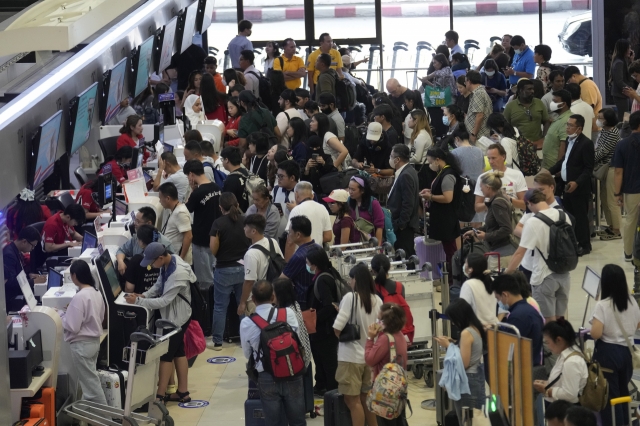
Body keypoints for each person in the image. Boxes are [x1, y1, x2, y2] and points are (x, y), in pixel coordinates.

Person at [125, 242, 196, 403]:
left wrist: (138, 302)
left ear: (161, 257)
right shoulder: (170, 262)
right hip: (174, 316)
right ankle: (183, 393)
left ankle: (160, 396)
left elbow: (164, 301)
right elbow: (158, 285)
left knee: (166, 355)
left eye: (152, 262)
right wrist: (143, 296)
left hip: (177, 319)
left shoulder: (178, 274)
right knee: (178, 352)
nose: (151, 265)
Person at [240, 280, 306, 426]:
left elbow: (247, 353)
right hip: (292, 372)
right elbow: (297, 338)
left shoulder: (247, 323)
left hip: (266, 375)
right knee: (298, 421)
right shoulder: (287, 313)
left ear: (253, 299)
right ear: (273, 297)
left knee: (273, 422)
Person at [504, 189, 573, 322]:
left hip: (544, 276)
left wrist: (507, 273)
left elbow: (519, 253)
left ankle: (548, 344)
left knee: (547, 322)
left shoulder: (533, 222)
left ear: (529, 203)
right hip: (564, 274)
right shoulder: (563, 215)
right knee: (560, 320)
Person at [590, 264, 640, 425]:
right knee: (624, 393)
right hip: (627, 353)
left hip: (608, 355)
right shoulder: (632, 301)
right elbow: (637, 325)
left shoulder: (602, 305)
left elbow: (596, 333)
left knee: (611, 397)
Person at [333, 263, 382, 426]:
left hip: (350, 357)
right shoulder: (377, 300)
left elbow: (337, 329)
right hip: (370, 357)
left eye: (351, 279)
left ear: (356, 280)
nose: (349, 282)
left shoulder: (350, 298)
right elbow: (380, 328)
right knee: (366, 398)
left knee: (352, 402)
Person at [60, 261, 107, 406]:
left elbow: (72, 326)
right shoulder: (96, 292)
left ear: (74, 276)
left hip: (81, 346)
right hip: (94, 343)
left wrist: (61, 315)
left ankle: (106, 420)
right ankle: (87, 416)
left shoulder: (79, 297)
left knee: (91, 387)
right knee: (89, 383)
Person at [208, 192, 251, 350]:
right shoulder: (246, 220)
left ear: (221, 207)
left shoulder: (218, 224)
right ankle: (246, 340)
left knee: (220, 306)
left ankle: (218, 342)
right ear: (237, 204)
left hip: (224, 269)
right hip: (244, 268)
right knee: (243, 303)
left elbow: (213, 249)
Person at [434, 298, 486, 423]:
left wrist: (448, 346)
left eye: (453, 319)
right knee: (477, 419)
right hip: (477, 376)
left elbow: (464, 363)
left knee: (467, 420)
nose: (452, 322)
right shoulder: (476, 328)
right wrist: (454, 342)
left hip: (468, 381)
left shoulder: (466, 333)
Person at [549, 114, 594, 254]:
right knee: (570, 217)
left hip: (579, 188)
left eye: (570, 125)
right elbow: (564, 161)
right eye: (567, 125)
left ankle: (585, 245)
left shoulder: (586, 144)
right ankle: (573, 242)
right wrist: (549, 171)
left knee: (580, 218)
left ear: (579, 128)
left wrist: (577, 182)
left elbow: (588, 168)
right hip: (566, 186)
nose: (567, 128)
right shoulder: (569, 141)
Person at [365, 302, 409, 426]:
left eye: (379, 319)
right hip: (399, 390)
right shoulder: (400, 335)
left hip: (385, 392)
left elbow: (369, 359)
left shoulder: (385, 339)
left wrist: (370, 339)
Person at [420, 147, 462, 276]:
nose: (430, 165)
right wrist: (431, 192)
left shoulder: (448, 174)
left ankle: (453, 278)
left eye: (430, 161)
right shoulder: (443, 172)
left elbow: (448, 198)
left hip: (447, 218)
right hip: (442, 217)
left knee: (450, 250)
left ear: (437, 160)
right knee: (448, 249)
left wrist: (431, 197)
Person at [306, 247, 341, 394]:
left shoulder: (322, 280)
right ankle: (321, 385)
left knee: (327, 361)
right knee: (321, 359)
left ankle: (331, 391)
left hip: (324, 329)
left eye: (308, 262)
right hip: (323, 328)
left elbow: (329, 306)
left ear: (315, 264)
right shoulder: (330, 274)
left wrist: (314, 319)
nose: (307, 264)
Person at [512, 173, 558, 280]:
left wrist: (531, 234)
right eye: (536, 190)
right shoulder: (533, 206)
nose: (539, 194)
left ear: (552, 187)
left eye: (541, 190)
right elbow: (517, 229)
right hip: (527, 263)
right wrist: (532, 234)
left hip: (545, 268)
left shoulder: (559, 212)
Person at [184, 160, 220, 291]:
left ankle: (205, 305)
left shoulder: (197, 193)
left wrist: (192, 191)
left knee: (204, 280)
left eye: (188, 176)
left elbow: (185, 210)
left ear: (191, 174)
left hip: (201, 239)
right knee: (215, 272)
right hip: (216, 237)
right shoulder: (216, 187)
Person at [492, 274, 544, 366]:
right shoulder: (529, 310)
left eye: (497, 298)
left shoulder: (518, 317)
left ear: (505, 294)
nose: (498, 302)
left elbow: (508, 347)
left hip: (523, 370)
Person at [464, 172, 516, 262]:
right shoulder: (496, 201)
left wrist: (486, 236)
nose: (481, 189)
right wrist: (475, 231)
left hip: (502, 253)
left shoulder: (497, 203)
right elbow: (492, 225)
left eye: (482, 187)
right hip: (498, 250)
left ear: (488, 187)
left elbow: (506, 229)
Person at [533, 319, 587, 404]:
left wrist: (547, 390)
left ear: (558, 340)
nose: (547, 346)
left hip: (564, 411)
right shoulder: (565, 355)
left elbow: (570, 394)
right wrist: (547, 384)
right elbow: (563, 381)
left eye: (548, 342)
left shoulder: (572, 362)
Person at [612, 110, 640, 262]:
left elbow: (618, 172)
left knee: (631, 221)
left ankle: (628, 253)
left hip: (632, 190)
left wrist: (617, 193)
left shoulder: (622, 144)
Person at [474, 144, 528, 218]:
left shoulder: (517, 174)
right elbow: (477, 208)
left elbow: (524, 205)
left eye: (493, 158)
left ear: (503, 157)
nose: (491, 162)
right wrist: (491, 202)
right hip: (491, 221)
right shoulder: (483, 177)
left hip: (512, 219)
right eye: (489, 158)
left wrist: (508, 199)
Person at [280, 216, 322, 310]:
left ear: (298, 234)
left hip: (302, 303)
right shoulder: (319, 248)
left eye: (290, 232)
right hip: (318, 299)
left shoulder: (298, 256)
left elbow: (282, 280)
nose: (288, 235)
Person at [116, 207, 174, 273]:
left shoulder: (165, 244)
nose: (135, 224)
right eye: (135, 220)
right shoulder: (136, 238)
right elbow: (121, 250)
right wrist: (120, 262)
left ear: (149, 223)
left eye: (138, 221)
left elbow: (172, 267)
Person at [388, 144, 419, 262]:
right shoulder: (408, 171)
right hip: (403, 223)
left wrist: (401, 224)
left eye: (391, 156)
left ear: (397, 159)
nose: (390, 159)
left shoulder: (406, 175)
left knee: (405, 257)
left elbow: (408, 203)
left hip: (404, 226)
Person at [594, 108, 622, 241]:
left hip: (611, 169)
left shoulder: (613, 133)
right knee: (604, 199)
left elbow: (602, 152)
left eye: (601, 118)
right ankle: (611, 226)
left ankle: (616, 230)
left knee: (612, 201)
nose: (598, 120)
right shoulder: (605, 131)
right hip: (604, 168)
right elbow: (598, 148)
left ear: (608, 120)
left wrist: (588, 158)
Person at [285, 181, 332, 259]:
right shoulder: (323, 208)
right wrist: (316, 238)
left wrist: (287, 265)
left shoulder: (297, 210)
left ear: (296, 195)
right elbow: (328, 236)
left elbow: (290, 241)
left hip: (300, 257)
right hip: (317, 257)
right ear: (312, 195)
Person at [3, 227, 45, 312]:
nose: (32, 249)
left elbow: (17, 273)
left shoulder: (16, 250)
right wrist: (34, 282)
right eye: (32, 245)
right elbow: (10, 282)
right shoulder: (9, 255)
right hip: (13, 298)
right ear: (24, 241)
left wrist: (29, 275)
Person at [123, 224, 173, 294]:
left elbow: (129, 288)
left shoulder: (136, 260)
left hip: (140, 301)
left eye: (138, 239)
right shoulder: (168, 256)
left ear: (142, 242)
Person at [503, 78, 550, 146]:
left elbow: (547, 121)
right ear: (520, 91)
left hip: (537, 143)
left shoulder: (539, 103)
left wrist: (544, 138)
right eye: (529, 89)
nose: (532, 91)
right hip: (517, 144)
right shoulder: (510, 106)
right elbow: (505, 126)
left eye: (533, 89)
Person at [459, 253, 498, 326]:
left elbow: (462, 310)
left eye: (466, 263)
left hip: (477, 328)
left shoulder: (468, 284)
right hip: (494, 327)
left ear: (471, 269)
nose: (464, 265)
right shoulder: (491, 280)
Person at [158, 182, 192, 263]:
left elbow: (188, 236)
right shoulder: (174, 210)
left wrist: (181, 258)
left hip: (179, 259)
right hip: (173, 256)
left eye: (160, 198)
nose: (160, 201)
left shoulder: (180, 212)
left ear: (168, 198)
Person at [347, 176, 385, 243]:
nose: (350, 192)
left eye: (353, 190)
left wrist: (377, 248)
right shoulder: (349, 201)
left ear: (362, 190)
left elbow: (379, 227)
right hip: (353, 245)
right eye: (349, 188)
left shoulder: (373, 203)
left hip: (369, 244)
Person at [541, 89, 572, 170]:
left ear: (563, 104)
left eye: (555, 101)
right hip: (549, 166)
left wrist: (558, 168)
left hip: (555, 168)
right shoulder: (559, 118)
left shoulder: (566, 120)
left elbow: (564, 145)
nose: (552, 104)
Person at [306, 33, 344, 97]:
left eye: (331, 41)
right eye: (328, 41)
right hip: (318, 85)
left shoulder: (336, 53)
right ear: (321, 43)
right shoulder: (313, 55)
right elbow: (310, 76)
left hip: (333, 84)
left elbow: (339, 70)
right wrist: (312, 91)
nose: (331, 43)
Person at [464, 70, 493, 143]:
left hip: (479, 136)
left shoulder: (478, 93)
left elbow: (480, 115)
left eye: (465, 82)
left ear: (469, 81)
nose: (465, 84)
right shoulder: (478, 92)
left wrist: (473, 134)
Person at [610, 39, 635, 121]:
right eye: (628, 48)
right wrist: (631, 91)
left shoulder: (623, 61)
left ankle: (625, 131)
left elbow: (629, 75)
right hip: (621, 95)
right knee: (624, 117)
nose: (630, 50)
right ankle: (622, 132)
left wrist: (631, 62)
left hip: (623, 94)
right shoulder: (619, 62)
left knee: (626, 115)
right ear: (624, 49)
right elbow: (619, 81)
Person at [220, 146, 251, 211]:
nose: (222, 162)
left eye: (222, 159)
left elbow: (227, 203)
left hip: (237, 215)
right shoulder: (245, 171)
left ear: (226, 160)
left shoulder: (231, 180)